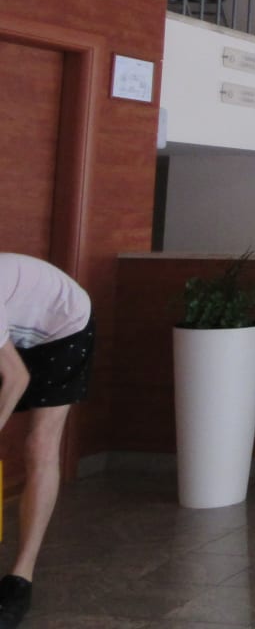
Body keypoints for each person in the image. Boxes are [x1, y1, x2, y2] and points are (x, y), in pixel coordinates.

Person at [0, 253, 95, 629]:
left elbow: (16, 378)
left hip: (64, 327)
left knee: (40, 445)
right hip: (14, 329)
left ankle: (20, 579)